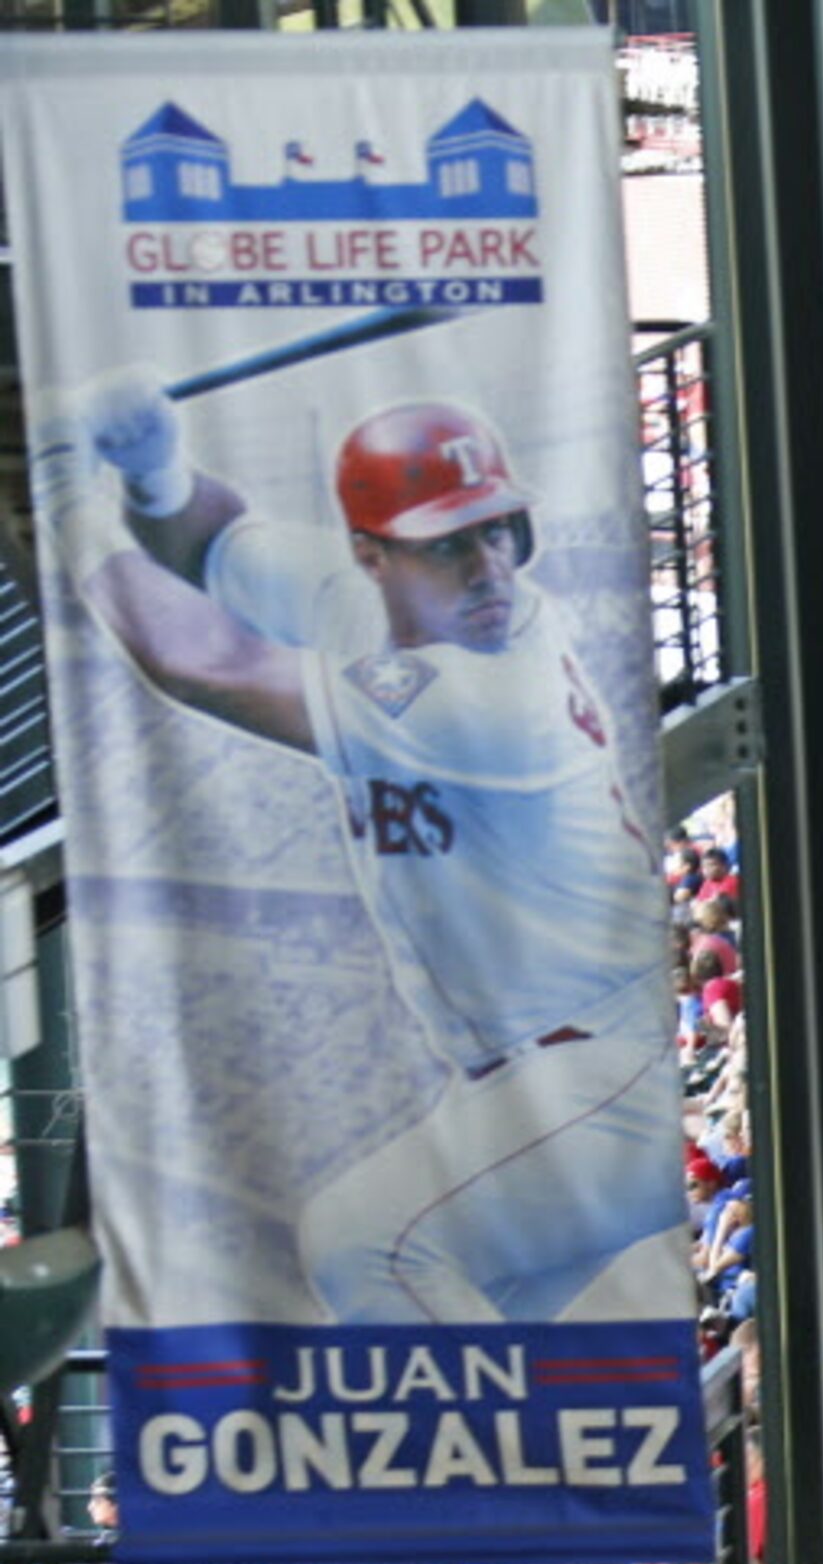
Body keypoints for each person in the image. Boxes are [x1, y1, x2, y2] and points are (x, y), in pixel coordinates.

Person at [37, 385, 690, 1323]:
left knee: (363, 1242)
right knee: (441, 1332)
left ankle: (522, 1476)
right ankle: (520, 1468)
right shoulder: (363, 604)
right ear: (371, 555)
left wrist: (68, 502)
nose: (486, 568)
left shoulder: (490, 691)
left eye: (496, 531)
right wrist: (155, 470)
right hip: (538, 1074)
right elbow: (221, 545)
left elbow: (204, 662)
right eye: (447, 541)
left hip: (605, 1069)